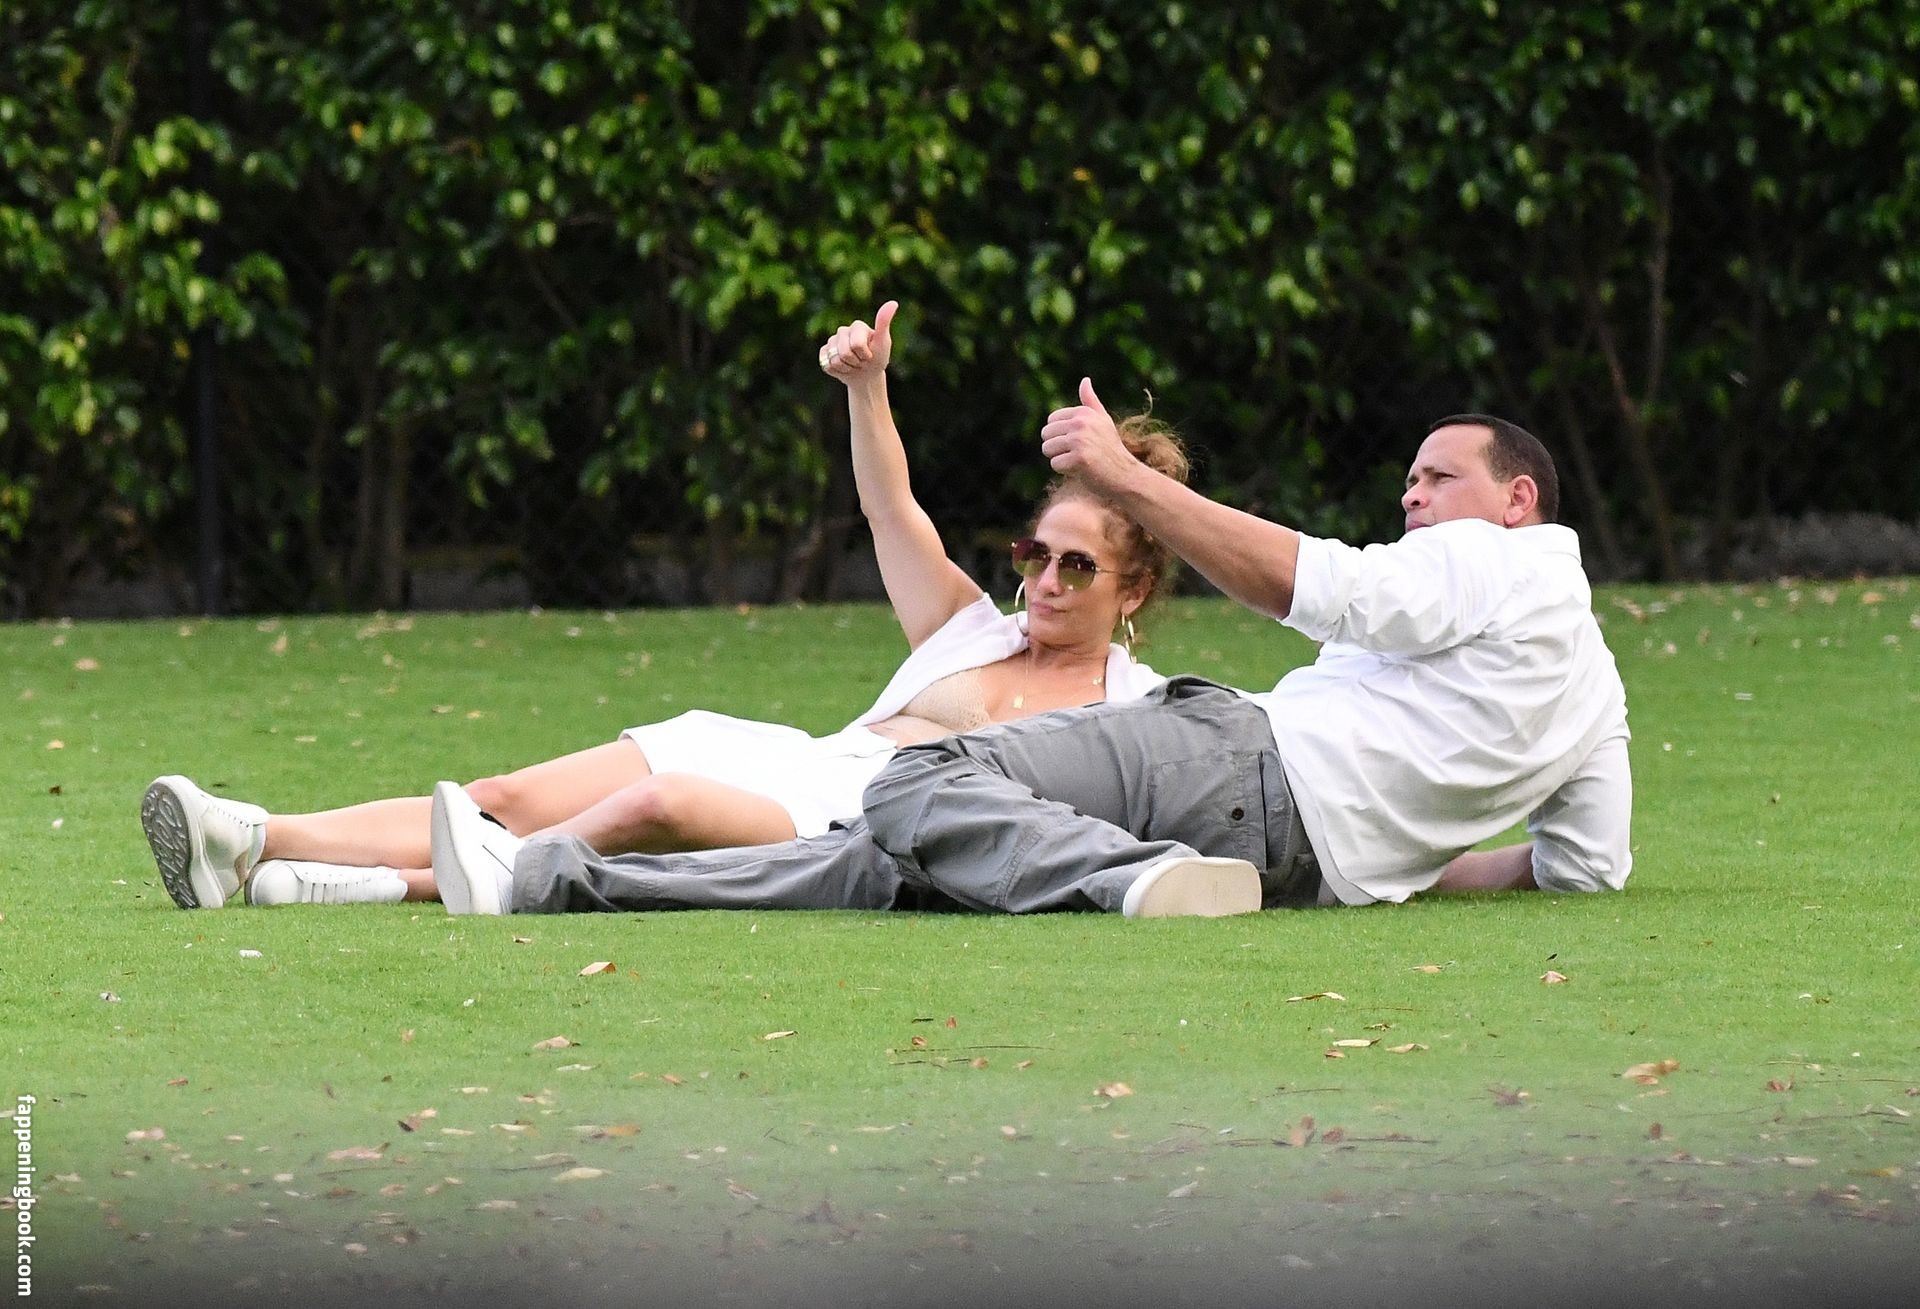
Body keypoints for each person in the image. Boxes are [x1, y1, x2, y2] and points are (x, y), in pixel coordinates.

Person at [139, 304, 1189, 910]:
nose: (1044, 582)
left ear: (1134, 588)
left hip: (842, 820)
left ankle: (384, 881)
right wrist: (867, 389)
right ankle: (259, 836)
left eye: (1077, 568)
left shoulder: (1132, 709)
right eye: (1035, 554)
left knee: (661, 804)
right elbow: (890, 507)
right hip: (787, 755)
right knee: (502, 793)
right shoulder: (969, 630)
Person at [428, 398, 1631, 918]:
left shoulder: (1502, 559)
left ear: (1517, 498)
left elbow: (1320, 588)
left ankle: (1126, 879)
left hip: (1237, 762)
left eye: (1437, 477)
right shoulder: (1593, 698)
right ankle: (558, 879)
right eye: (1410, 477)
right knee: (883, 863)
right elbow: (1580, 867)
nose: (1413, 495)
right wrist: (1404, 851)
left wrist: (1123, 480)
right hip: (1299, 869)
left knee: (910, 782)